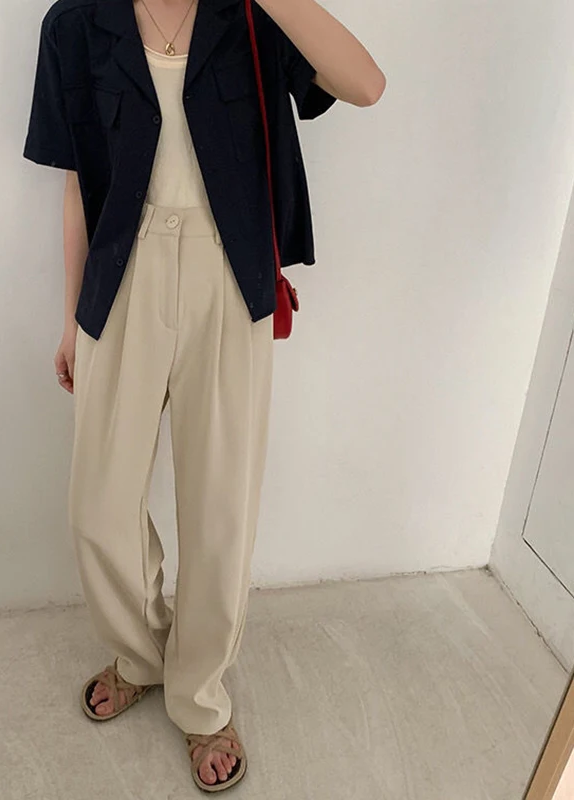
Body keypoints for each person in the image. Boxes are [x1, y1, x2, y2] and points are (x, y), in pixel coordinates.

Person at [24, 0, 384, 789]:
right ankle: (141, 654)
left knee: (220, 506)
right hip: (120, 275)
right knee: (98, 507)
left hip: (229, 273)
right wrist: (71, 318)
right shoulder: (75, 23)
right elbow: (76, 182)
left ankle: (201, 697)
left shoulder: (251, 14)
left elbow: (365, 85)